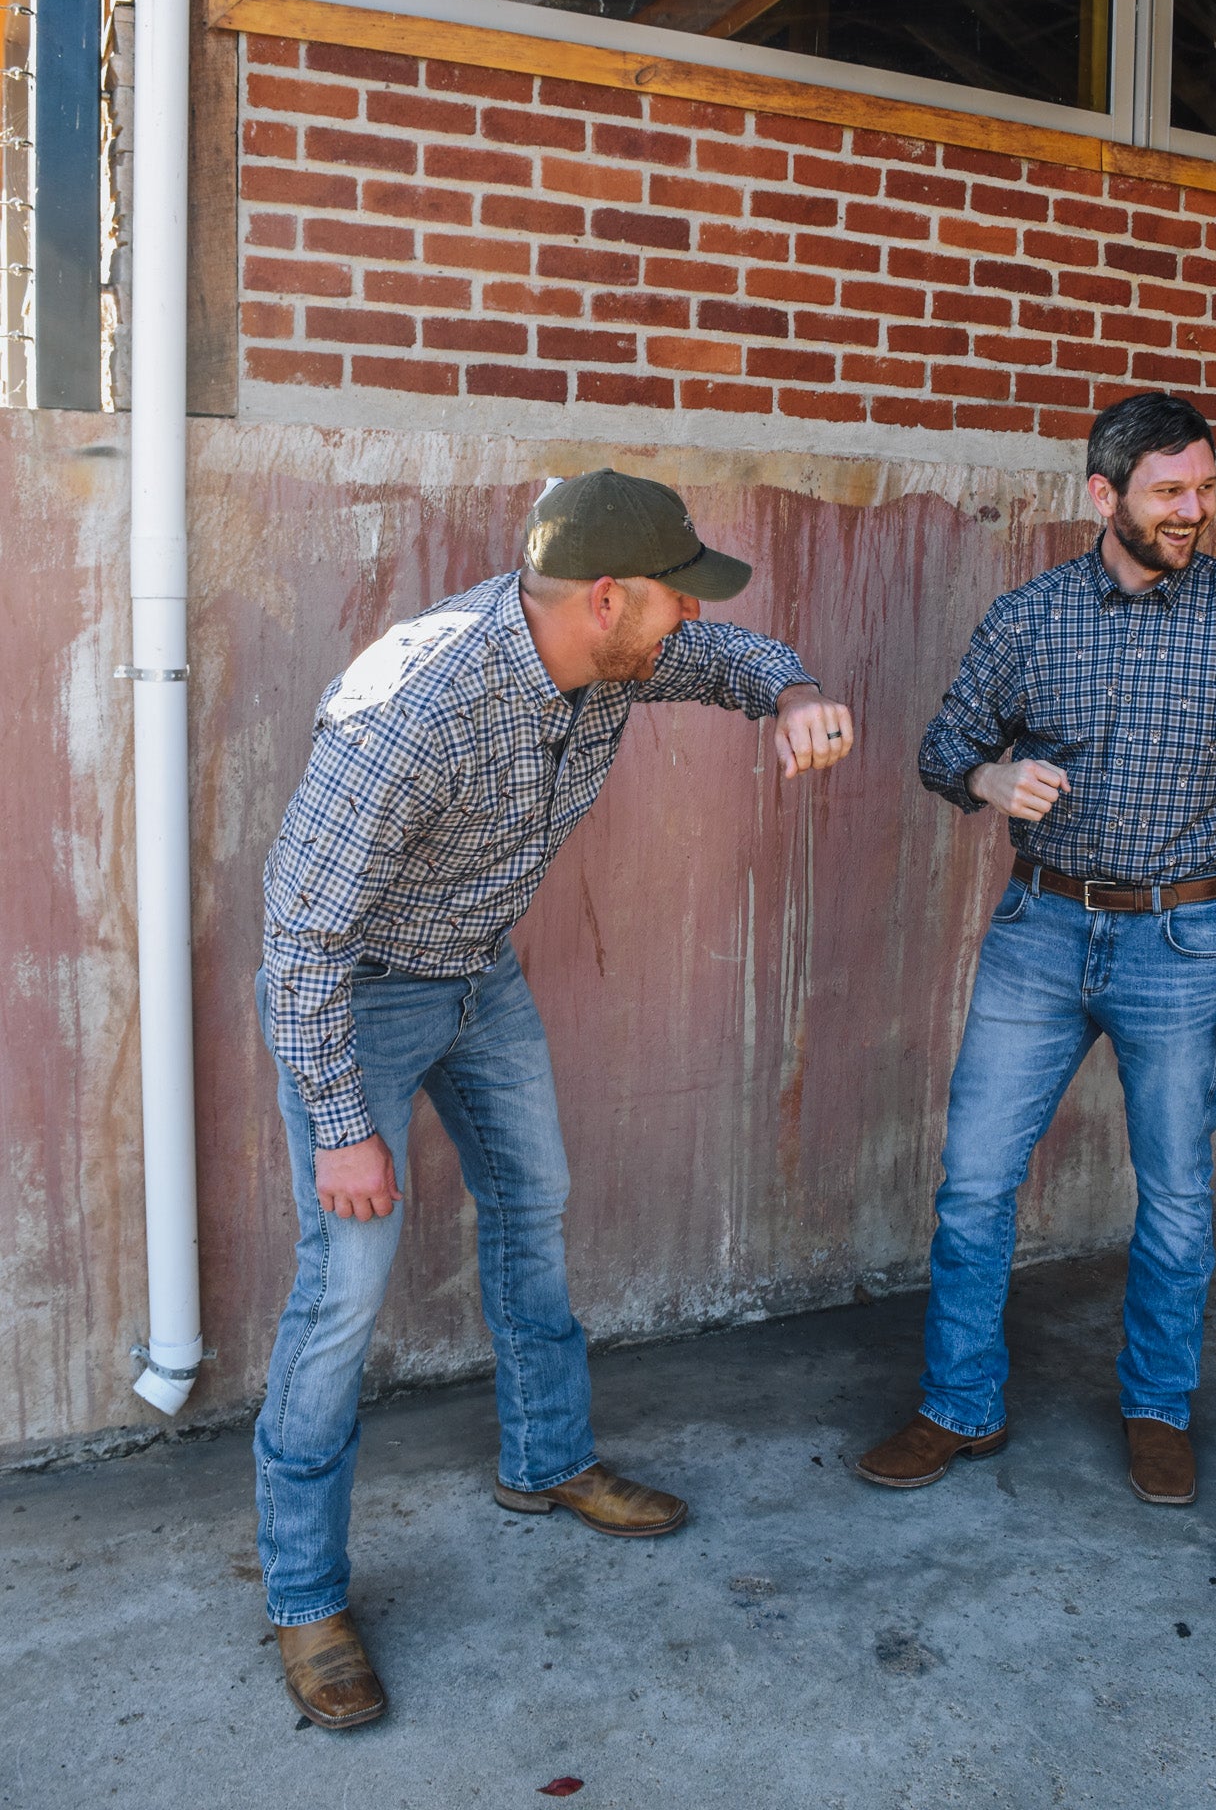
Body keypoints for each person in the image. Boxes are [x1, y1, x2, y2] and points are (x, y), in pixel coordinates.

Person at [255, 467, 854, 1729]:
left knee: (535, 1197)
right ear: (605, 597)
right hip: (354, 999)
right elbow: (300, 934)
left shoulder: (617, 653)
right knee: (343, 1286)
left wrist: (792, 688)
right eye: (673, 602)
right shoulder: (416, 706)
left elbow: (732, 652)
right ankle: (306, 1597)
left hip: (478, 970)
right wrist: (344, 1124)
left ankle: (547, 1461)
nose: (690, 620)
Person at [857, 391, 1216, 1510]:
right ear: (1104, 494)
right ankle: (958, 1403)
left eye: (1207, 487)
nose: (1195, 509)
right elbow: (944, 748)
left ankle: (1159, 1405)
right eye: (1171, 490)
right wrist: (988, 778)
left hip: (1185, 938)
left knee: (1173, 1195)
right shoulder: (1028, 620)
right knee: (974, 1182)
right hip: (1041, 928)